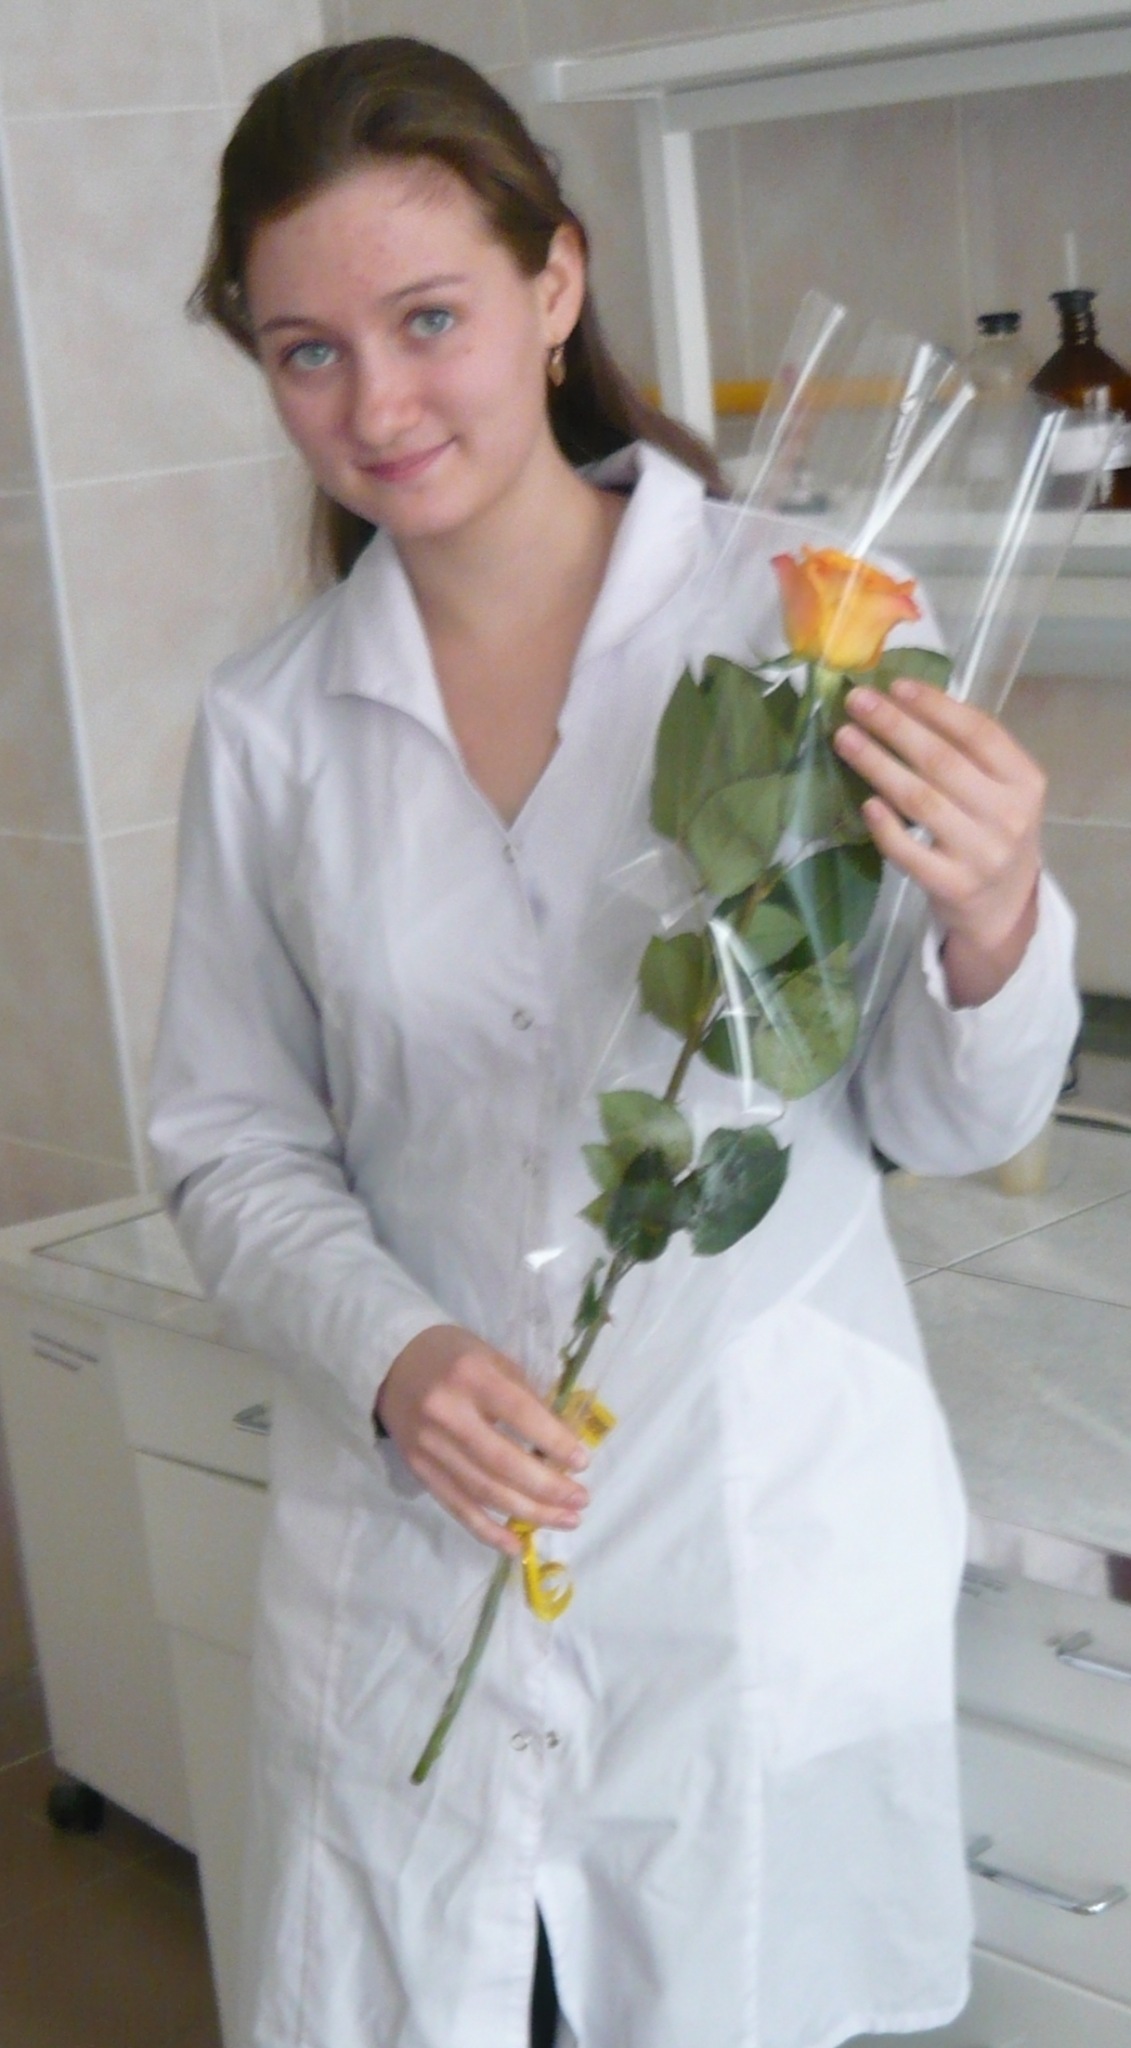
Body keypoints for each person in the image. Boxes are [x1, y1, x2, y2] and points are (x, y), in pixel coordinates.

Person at [148, 37, 1079, 2048]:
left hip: (742, 1568)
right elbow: (229, 1143)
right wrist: (391, 1355)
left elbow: (935, 1114)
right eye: (306, 351)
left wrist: (996, 913)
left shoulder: (801, 624)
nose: (376, 405)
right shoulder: (272, 727)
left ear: (553, 282)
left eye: (428, 320)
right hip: (421, 1587)